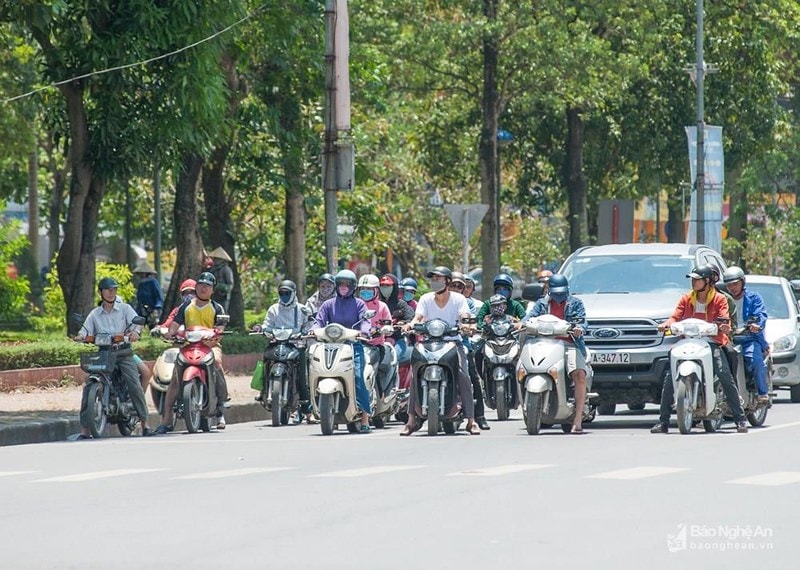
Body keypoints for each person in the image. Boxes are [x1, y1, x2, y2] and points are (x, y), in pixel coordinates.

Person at [650, 265, 748, 434]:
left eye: (697, 279)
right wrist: (666, 324)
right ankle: (663, 421)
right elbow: (675, 316)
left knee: (724, 373)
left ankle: (740, 418)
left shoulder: (720, 299)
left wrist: (724, 326)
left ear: (707, 281)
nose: (693, 282)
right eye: (692, 279)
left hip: (712, 342)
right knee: (669, 376)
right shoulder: (686, 299)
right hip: (688, 342)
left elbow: (724, 318)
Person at [400, 266, 479, 436]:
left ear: (447, 281)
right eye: (433, 279)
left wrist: (468, 325)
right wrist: (410, 325)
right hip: (429, 342)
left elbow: (464, 315)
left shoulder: (458, 299)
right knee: (415, 374)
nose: (434, 282)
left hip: (452, 342)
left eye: (438, 278)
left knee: (463, 374)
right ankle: (411, 420)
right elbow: (418, 317)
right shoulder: (426, 299)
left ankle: (471, 420)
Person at [75, 277, 151, 439]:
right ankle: (85, 430)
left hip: (123, 353)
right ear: (100, 292)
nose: (111, 293)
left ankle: (145, 423)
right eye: (108, 290)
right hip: (103, 353)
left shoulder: (124, 309)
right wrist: (81, 336)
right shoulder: (95, 314)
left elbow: (137, 323)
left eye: (114, 290)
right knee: (89, 384)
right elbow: (85, 329)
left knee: (134, 383)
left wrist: (135, 333)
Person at [155, 272, 229, 434]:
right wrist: (168, 333)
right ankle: (166, 420)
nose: (203, 288)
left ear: (212, 290)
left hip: (210, 346)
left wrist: (214, 337)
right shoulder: (185, 307)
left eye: (207, 286)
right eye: (201, 285)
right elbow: (174, 326)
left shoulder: (217, 307)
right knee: (174, 379)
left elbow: (221, 329)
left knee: (217, 362)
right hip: (188, 346)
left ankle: (221, 406)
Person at [522, 273, 590, 434]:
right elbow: (529, 317)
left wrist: (580, 328)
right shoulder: (541, 304)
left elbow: (582, 321)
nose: (559, 296)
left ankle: (578, 419)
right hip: (543, 343)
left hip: (569, 343)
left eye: (562, 292)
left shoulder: (576, 303)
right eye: (556, 292)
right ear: (548, 290)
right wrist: (521, 323)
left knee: (579, 374)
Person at [312, 269, 373, 433]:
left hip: (353, 346)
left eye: (347, 284)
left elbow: (365, 321)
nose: (343, 287)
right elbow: (318, 321)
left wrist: (364, 331)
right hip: (330, 347)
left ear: (353, 286)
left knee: (358, 377)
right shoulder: (328, 304)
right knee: (316, 369)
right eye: (340, 284)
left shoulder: (359, 304)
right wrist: (313, 330)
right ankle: (314, 405)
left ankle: (365, 416)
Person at [254, 280, 315, 423]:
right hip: (276, 345)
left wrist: (306, 332)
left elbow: (310, 324)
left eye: (288, 293)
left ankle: (307, 412)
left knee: (302, 377)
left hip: (296, 346)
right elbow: (267, 324)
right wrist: (262, 330)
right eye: (282, 293)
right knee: (266, 361)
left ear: (294, 293)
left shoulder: (302, 309)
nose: (285, 296)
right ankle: (263, 389)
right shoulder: (273, 309)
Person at [722, 266, 770, 402]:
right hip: (729, 339)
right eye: (729, 285)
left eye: (735, 284)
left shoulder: (754, 298)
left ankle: (762, 393)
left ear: (743, 282)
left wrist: (757, 325)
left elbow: (761, 315)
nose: (732, 288)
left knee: (755, 361)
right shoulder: (722, 299)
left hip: (749, 338)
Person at [359, 274, 397, 403]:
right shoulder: (355, 305)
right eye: (363, 289)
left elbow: (388, 324)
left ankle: (382, 396)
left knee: (382, 367)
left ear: (376, 290)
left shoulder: (382, 306)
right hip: (356, 344)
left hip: (376, 345)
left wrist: (383, 329)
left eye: (369, 289)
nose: (365, 292)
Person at [133, 261, 163, 327]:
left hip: (152, 309)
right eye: (139, 274)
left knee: (152, 327)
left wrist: (157, 308)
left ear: (146, 273)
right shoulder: (141, 284)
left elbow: (159, 296)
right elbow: (139, 300)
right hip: (142, 310)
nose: (140, 275)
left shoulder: (153, 282)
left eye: (142, 273)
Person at [207, 247, 235, 312]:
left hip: (223, 297)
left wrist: (220, 286)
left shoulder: (226, 269)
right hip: (212, 296)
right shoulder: (212, 269)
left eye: (217, 258)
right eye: (215, 258)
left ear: (222, 259)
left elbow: (230, 285)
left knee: (221, 315)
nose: (215, 259)